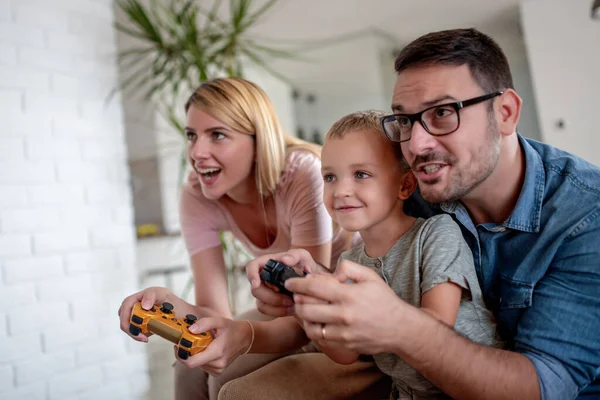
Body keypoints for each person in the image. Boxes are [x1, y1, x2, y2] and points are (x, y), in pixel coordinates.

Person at [236, 28, 600, 399]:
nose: (416, 145)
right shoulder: (424, 182)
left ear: (505, 112)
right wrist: (310, 285)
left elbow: (540, 388)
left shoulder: (586, 217)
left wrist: (398, 324)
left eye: (443, 113)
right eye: (406, 121)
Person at [217, 110, 502, 399]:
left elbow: (436, 330)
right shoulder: (349, 263)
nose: (340, 191)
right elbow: (346, 354)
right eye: (329, 177)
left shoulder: (436, 235)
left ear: (404, 185)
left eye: (361, 174)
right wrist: (304, 305)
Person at [117, 77, 373, 400]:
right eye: (192, 136)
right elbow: (214, 312)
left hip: (331, 307)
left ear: (258, 139)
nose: (197, 153)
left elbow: (307, 304)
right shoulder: (197, 195)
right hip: (291, 307)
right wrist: (169, 303)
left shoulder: (302, 174)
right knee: (189, 363)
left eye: (218, 135)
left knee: (228, 380)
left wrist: (246, 337)